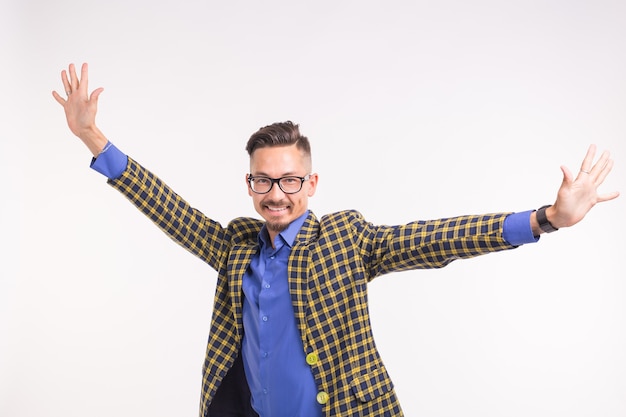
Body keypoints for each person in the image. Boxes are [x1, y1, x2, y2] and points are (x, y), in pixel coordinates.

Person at [53, 63, 618, 417]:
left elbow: (432, 238)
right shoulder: (236, 245)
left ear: (311, 182)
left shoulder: (345, 238)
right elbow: (170, 209)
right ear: (250, 183)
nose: (276, 194)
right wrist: (94, 140)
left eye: (289, 180)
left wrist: (545, 218)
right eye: (263, 181)